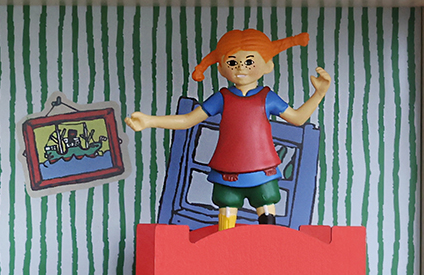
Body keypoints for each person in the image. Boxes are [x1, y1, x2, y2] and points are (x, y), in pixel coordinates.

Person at [128, 29, 334, 229]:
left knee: (267, 209)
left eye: (249, 62)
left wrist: (319, 93)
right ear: (221, 68)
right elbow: (188, 120)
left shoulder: (267, 97)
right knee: (226, 213)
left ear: (268, 66)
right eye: (233, 62)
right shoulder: (222, 98)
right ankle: (224, 245)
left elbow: (298, 118)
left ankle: (270, 243)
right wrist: (149, 121)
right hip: (227, 171)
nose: (241, 68)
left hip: (262, 170)